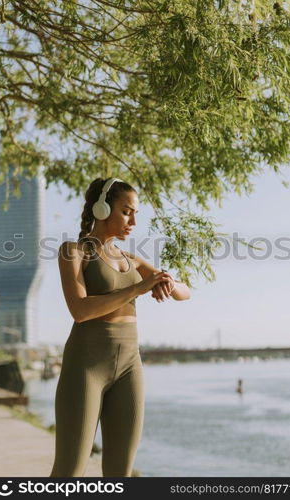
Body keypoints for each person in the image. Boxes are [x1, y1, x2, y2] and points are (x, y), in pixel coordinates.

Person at [49, 177, 190, 477]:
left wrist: (168, 281)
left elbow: (184, 293)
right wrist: (139, 289)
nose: (134, 221)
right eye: (127, 211)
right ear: (102, 208)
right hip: (86, 366)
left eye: (135, 213)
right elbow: (80, 310)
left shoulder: (132, 261)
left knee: (120, 473)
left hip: (129, 365)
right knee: (69, 471)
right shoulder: (73, 252)